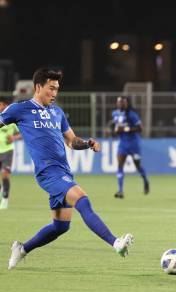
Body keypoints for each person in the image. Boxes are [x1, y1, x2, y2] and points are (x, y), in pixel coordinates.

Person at [0, 68, 133, 270]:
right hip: (48, 173)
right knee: (82, 200)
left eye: (57, 89)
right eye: (51, 88)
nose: (54, 93)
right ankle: (116, 243)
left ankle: (22, 249)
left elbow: (72, 141)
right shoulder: (19, 109)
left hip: (63, 171)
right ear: (38, 87)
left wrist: (87, 143)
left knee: (61, 226)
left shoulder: (57, 112)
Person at [110, 96, 149, 198]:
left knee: (137, 166)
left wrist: (126, 129)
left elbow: (140, 128)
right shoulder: (115, 114)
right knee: (120, 166)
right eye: (119, 102)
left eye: (123, 102)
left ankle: (145, 179)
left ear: (127, 104)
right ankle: (120, 191)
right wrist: (114, 132)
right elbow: (115, 128)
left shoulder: (132, 115)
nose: (121, 104)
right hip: (122, 144)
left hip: (134, 144)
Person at [0, 97, 21, 209]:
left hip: (7, 151)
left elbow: (20, 133)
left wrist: (13, 137)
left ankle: (5, 198)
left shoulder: (10, 121)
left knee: (4, 174)